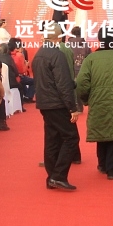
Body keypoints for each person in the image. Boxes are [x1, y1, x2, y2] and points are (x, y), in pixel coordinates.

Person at [76, 29, 113, 180]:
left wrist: (86, 99)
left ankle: (102, 164)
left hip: (97, 100)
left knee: (101, 130)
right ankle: (112, 170)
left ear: (100, 40)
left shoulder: (91, 59)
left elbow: (81, 82)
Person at [33, 30, 82, 190]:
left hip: (44, 102)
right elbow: (63, 83)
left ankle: (52, 176)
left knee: (52, 139)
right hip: (57, 103)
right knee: (71, 137)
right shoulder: (57, 55)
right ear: (59, 37)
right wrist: (72, 107)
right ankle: (58, 176)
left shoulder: (39, 54)